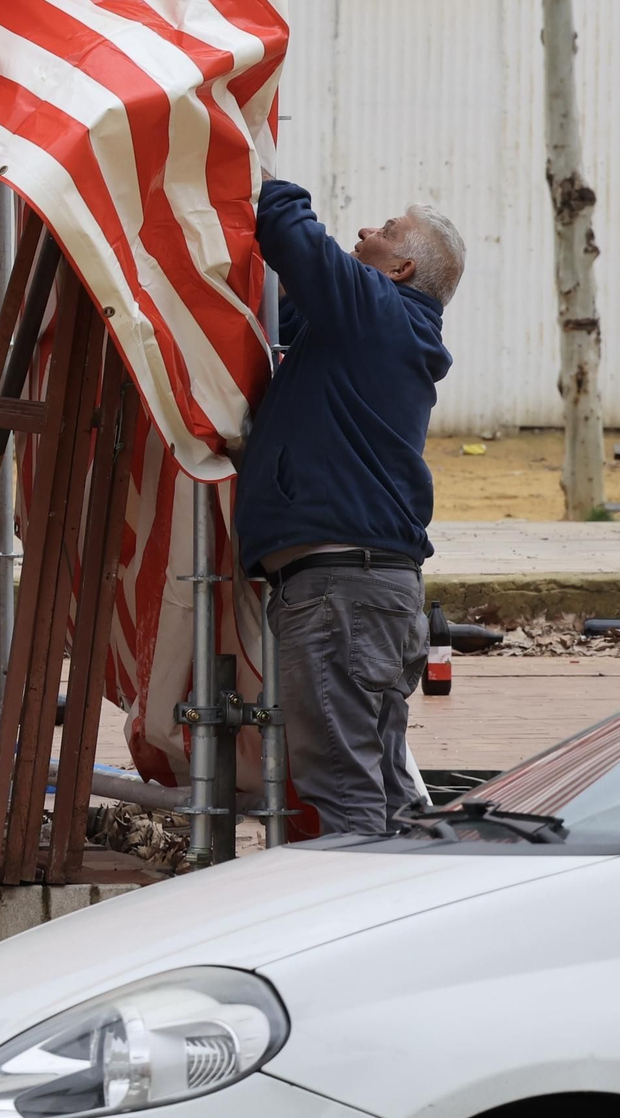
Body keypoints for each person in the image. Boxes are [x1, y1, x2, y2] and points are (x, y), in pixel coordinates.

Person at [236, 177, 464, 836]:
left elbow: (291, 235)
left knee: (346, 791)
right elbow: (280, 313)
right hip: (372, 593)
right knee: (384, 787)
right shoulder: (377, 330)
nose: (365, 231)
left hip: (341, 594)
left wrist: (263, 172)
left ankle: (359, 898)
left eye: (386, 230)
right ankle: (411, 893)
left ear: (401, 268)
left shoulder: (376, 309)